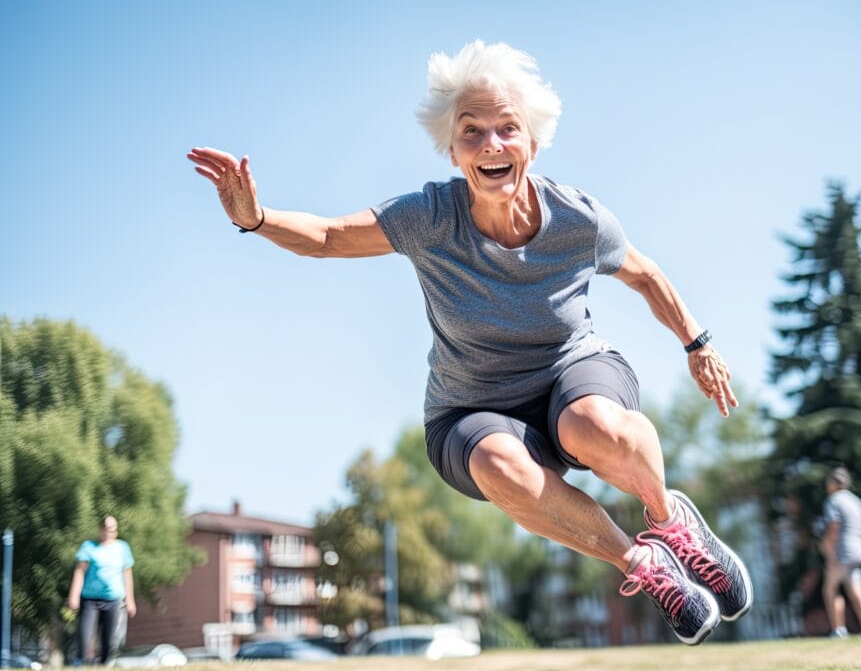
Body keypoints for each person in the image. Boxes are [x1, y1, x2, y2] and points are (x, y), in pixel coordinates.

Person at [188, 41, 751, 644]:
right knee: (498, 464)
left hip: (573, 372)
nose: (491, 145)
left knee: (597, 426)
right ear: (453, 150)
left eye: (507, 128)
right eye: (471, 132)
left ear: (532, 141)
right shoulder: (431, 217)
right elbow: (328, 237)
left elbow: (644, 274)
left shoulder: (579, 219)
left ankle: (670, 520)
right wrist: (255, 218)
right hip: (471, 408)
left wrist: (697, 344)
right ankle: (644, 563)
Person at [820, 467, 861, 639]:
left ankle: (838, 630)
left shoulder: (833, 500)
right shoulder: (856, 501)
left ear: (834, 483)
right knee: (857, 590)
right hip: (860, 550)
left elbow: (834, 527)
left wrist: (827, 548)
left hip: (843, 552)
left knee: (830, 589)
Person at [67, 516, 137, 664]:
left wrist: (130, 600)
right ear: (100, 529)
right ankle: (82, 662)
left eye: (112, 529)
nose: (109, 532)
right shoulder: (89, 547)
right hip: (90, 601)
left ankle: (104, 665)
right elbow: (79, 571)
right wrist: (74, 595)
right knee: (85, 636)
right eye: (106, 529)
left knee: (109, 642)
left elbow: (127, 575)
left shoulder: (122, 548)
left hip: (113, 600)